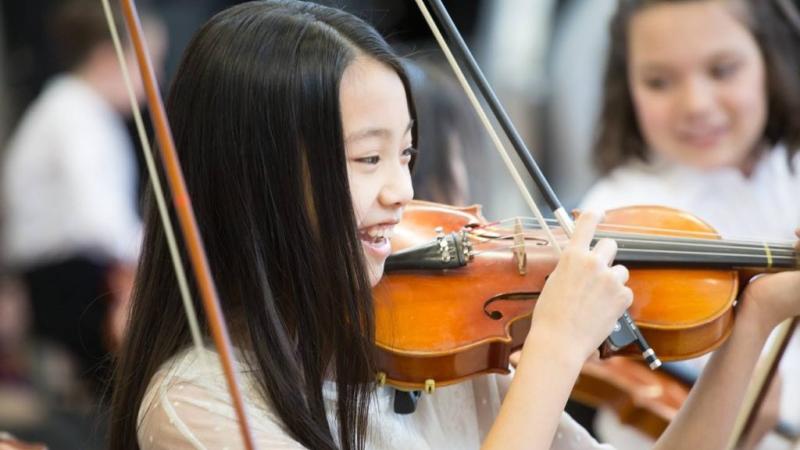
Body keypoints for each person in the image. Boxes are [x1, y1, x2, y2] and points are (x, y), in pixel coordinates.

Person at [109, 1, 800, 449]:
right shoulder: (196, 410)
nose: (402, 190)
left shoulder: (433, 350)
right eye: (367, 158)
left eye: (405, 154)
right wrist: (555, 349)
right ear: (252, 174)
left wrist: (755, 324)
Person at [581, 0, 800, 447]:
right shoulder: (616, 213)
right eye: (659, 81)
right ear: (628, 86)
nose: (696, 104)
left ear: (770, 59)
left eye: (722, 70)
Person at [0, 1, 166, 395]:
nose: (156, 78)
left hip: (59, 279)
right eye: (150, 62)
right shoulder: (77, 114)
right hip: (68, 284)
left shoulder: (70, 107)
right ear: (110, 58)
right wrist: (158, 260)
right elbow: (99, 222)